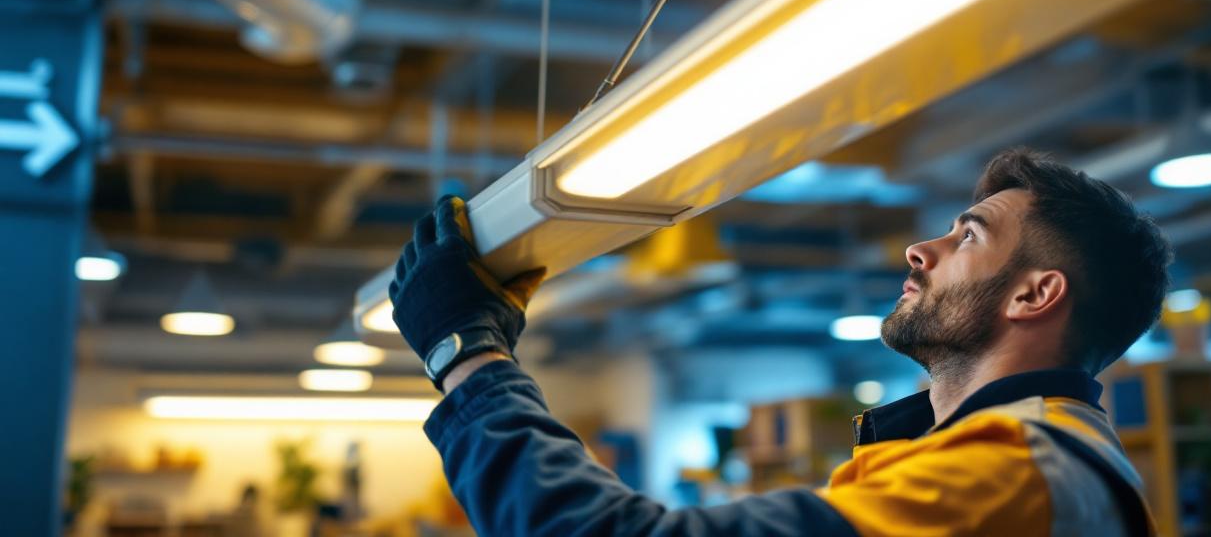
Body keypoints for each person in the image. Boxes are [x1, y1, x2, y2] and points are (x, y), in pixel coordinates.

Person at [389, 148, 1171, 536]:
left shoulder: (1009, 472)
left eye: (966, 237)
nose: (918, 251)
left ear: (1037, 294)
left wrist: (464, 353)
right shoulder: (1028, 459)